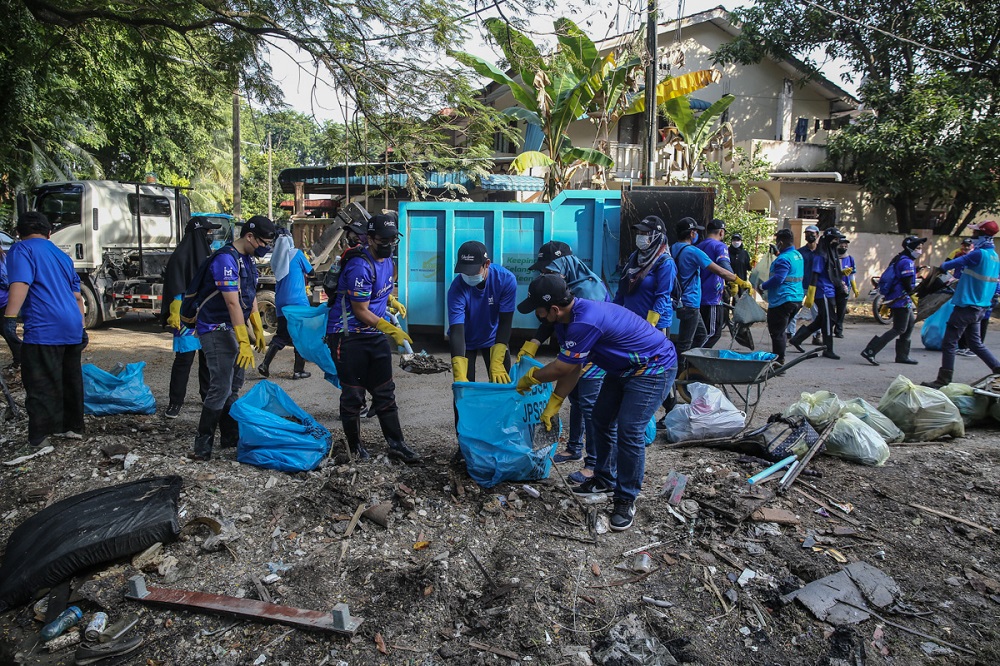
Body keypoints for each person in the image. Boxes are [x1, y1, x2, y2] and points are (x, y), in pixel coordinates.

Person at [515, 274, 678, 532]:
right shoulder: (566, 321)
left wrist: (532, 377)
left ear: (554, 309)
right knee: (601, 418)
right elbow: (575, 364)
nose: (538, 315)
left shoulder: (585, 321)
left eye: (539, 310)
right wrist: (556, 400)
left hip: (654, 367)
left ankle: (626, 499)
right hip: (623, 369)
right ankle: (604, 478)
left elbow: (560, 368)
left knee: (630, 429)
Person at [326, 213, 421, 463]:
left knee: (385, 392)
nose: (389, 244)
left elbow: (379, 290)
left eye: (393, 239)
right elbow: (360, 309)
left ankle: (397, 444)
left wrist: (390, 301)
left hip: (373, 333)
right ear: (369, 238)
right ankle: (355, 448)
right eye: (383, 240)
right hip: (348, 336)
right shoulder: (360, 265)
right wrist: (391, 330)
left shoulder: (389, 262)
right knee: (354, 395)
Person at [520, 240, 612, 484]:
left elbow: (578, 327)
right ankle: (574, 447)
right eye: (542, 270)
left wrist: (535, 376)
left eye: (548, 269)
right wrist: (535, 342)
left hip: (593, 354)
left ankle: (593, 464)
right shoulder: (565, 285)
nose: (544, 274)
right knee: (577, 399)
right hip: (577, 351)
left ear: (565, 263)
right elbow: (551, 317)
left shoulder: (587, 291)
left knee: (590, 405)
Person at [189, 215, 276, 461]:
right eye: (263, 242)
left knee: (233, 386)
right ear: (249, 237)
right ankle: (202, 444)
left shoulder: (246, 260)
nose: (265, 247)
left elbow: (248, 298)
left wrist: (257, 328)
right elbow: (231, 302)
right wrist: (242, 339)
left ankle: (230, 437)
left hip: (233, 327)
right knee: (220, 386)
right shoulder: (226, 260)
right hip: (216, 328)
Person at [3, 211, 86, 451]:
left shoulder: (21, 250)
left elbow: (20, 283)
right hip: (71, 322)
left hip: (44, 324)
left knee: (39, 381)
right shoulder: (62, 255)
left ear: (19, 233)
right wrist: (81, 327)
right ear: (49, 233)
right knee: (70, 377)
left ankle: (39, 438)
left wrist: (9, 318)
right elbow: (78, 296)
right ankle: (72, 427)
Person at [923, 220, 1000, 388]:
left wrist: (942, 267)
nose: (972, 237)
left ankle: (943, 379)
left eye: (975, 233)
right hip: (980, 307)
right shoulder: (995, 256)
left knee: (949, 342)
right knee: (975, 343)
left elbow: (956, 262)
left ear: (983, 235)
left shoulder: (979, 254)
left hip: (966, 306)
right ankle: (997, 367)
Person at [162, 217, 218, 418]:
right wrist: (176, 309)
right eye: (208, 232)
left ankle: (207, 397)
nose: (210, 236)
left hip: (206, 315)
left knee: (207, 360)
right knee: (184, 360)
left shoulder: (208, 256)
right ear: (198, 233)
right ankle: (175, 402)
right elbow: (174, 286)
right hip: (185, 317)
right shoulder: (180, 256)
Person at [671, 217, 749, 354]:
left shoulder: (674, 248)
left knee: (699, 334)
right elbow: (720, 269)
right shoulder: (696, 251)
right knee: (706, 335)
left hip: (684, 300)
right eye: (695, 232)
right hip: (697, 299)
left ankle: (688, 364)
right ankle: (686, 366)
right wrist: (737, 281)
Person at [448, 240, 516, 384]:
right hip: (466, 341)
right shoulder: (456, 288)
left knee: (502, 390)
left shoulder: (505, 280)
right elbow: (457, 330)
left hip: (494, 339)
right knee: (464, 393)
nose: (468, 275)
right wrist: (459, 373)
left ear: (487, 264)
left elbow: (505, 322)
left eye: (473, 271)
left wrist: (497, 362)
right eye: (464, 271)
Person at [258, 229, 315, 380]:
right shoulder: (297, 254)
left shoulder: (276, 258)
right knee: (300, 336)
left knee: (281, 335)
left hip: (281, 302)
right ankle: (298, 371)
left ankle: (264, 365)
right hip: (298, 303)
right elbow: (312, 272)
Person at [860, 236, 924, 366]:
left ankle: (902, 355)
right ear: (909, 248)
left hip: (899, 298)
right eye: (917, 248)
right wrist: (919, 289)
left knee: (910, 323)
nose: (920, 251)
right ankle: (870, 350)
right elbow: (907, 284)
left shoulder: (901, 259)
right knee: (899, 328)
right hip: (900, 298)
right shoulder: (907, 262)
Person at [788, 228, 844, 359]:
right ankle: (828, 349)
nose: (838, 242)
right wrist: (811, 293)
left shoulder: (830, 252)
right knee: (829, 320)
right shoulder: (821, 255)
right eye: (836, 239)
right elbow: (815, 274)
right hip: (822, 291)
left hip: (830, 291)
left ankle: (797, 339)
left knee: (822, 319)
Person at [758, 228, 803, 364]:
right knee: (781, 331)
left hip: (782, 299)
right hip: (796, 299)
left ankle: (779, 362)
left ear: (781, 242)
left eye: (777, 241)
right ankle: (778, 358)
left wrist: (762, 286)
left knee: (777, 333)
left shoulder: (783, 259)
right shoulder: (797, 255)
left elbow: (779, 278)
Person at [698, 219, 742, 348]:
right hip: (711, 297)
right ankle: (691, 361)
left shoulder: (699, 246)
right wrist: (735, 281)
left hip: (698, 296)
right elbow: (724, 265)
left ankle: (692, 362)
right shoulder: (719, 246)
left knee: (701, 332)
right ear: (721, 232)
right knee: (713, 334)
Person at [788, 224, 820, 338]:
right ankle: (790, 334)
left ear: (817, 235)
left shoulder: (821, 252)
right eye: (807, 234)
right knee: (794, 311)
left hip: (816, 287)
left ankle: (817, 335)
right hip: (800, 286)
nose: (809, 236)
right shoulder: (800, 252)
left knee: (816, 312)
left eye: (812, 234)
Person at [0, 245, 22, 372]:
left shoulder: (2, 259)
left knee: (8, 332)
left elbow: (6, 280)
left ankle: (21, 359)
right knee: (5, 332)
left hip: (4, 303)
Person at [834, 237, 859, 338]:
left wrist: (854, 287)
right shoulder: (832, 257)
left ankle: (838, 330)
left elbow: (852, 274)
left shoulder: (850, 259)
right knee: (831, 309)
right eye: (841, 245)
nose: (843, 247)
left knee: (841, 310)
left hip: (844, 288)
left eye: (845, 246)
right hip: (832, 287)